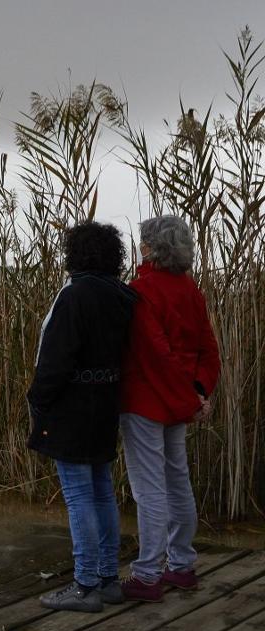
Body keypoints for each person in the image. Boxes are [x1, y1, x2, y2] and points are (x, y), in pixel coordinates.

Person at [29, 221, 137, 613]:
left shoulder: (75, 296)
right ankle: (108, 579)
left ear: (75, 253)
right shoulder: (122, 295)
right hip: (105, 402)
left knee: (78, 495)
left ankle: (85, 585)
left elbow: (56, 359)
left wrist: (38, 400)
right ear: (113, 255)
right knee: (101, 489)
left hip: (73, 406)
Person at [118, 215, 220, 602]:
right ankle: (181, 565)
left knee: (150, 489)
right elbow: (206, 349)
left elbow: (154, 354)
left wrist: (187, 398)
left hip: (147, 401)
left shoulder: (141, 290)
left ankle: (147, 574)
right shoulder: (190, 290)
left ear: (151, 247)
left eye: (143, 242)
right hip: (179, 403)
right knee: (177, 481)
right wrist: (197, 393)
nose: (140, 247)